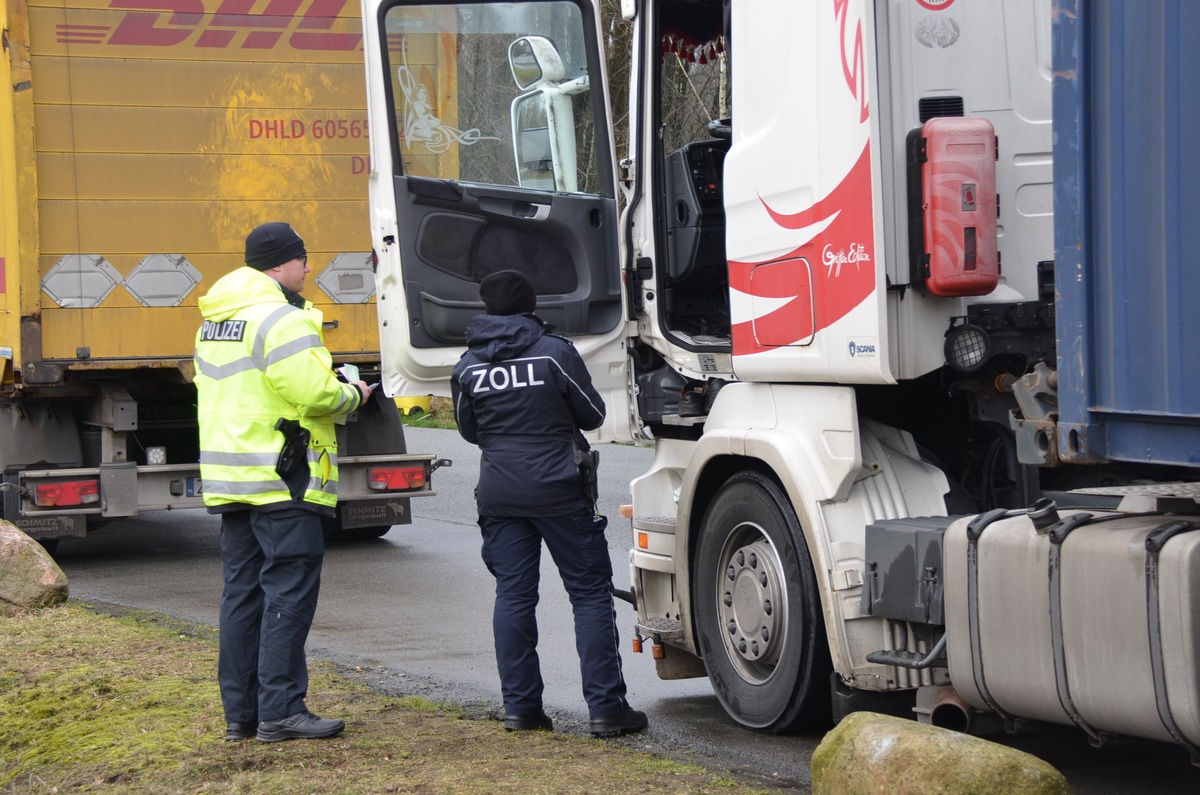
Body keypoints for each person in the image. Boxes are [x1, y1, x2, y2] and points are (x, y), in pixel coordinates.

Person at [193, 222, 371, 743]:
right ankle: (282, 711)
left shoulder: (216, 321)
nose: (309, 268)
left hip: (234, 479)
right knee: (288, 594)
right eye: (303, 259)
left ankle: (241, 717)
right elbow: (314, 396)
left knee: (241, 597)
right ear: (278, 265)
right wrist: (354, 394)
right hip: (284, 477)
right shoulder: (282, 319)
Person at [451, 269, 648, 738]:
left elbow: (469, 430)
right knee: (589, 595)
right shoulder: (554, 353)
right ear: (530, 306)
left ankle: (521, 710)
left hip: (499, 492)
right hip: (560, 490)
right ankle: (606, 710)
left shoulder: (468, 365)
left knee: (514, 596)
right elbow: (593, 413)